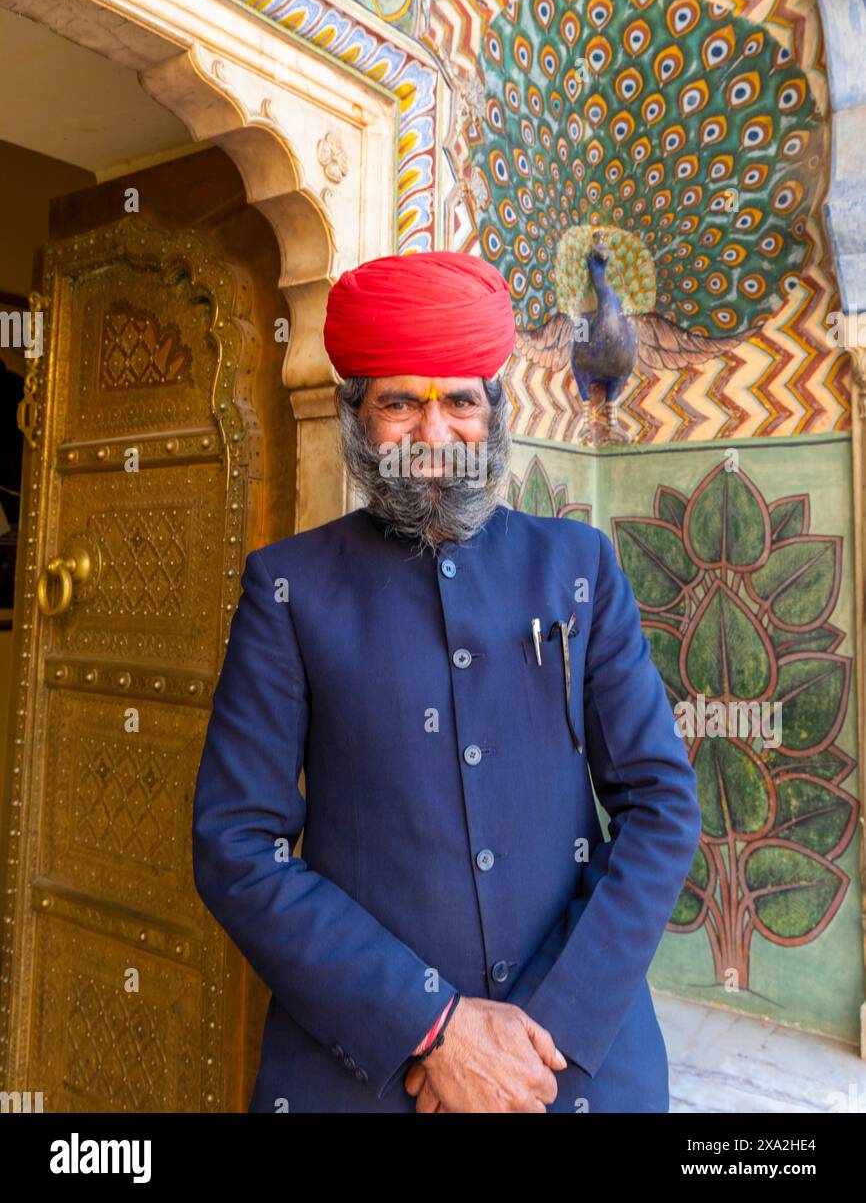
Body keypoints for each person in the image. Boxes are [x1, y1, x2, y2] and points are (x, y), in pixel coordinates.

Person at [191, 250, 703, 1113]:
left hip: (574, 1069)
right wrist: (434, 1030)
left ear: (494, 411)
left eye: (460, 400)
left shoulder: (578, 567)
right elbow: (237, 846)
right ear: (359, 415)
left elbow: (660, 805)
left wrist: (542, 1033)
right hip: (369, 1076)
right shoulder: (289, 589)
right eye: (401, 403)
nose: (435, 437)